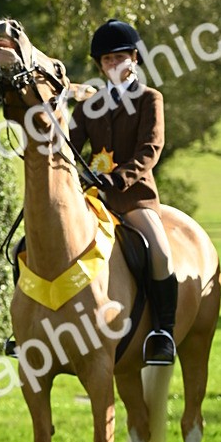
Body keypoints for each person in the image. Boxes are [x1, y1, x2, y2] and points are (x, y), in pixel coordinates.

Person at [69, 18, 177, 366]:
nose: (113, 65)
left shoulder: (150, 98)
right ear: (100, 66)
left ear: (134, 57)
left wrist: (119, 179)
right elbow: (69, 147)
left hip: (133, 195)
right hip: (92, 199)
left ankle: (163, 332)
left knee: (159, 252)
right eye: (106, 61)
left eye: (119, 58)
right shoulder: (88, 105)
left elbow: (151, 147)